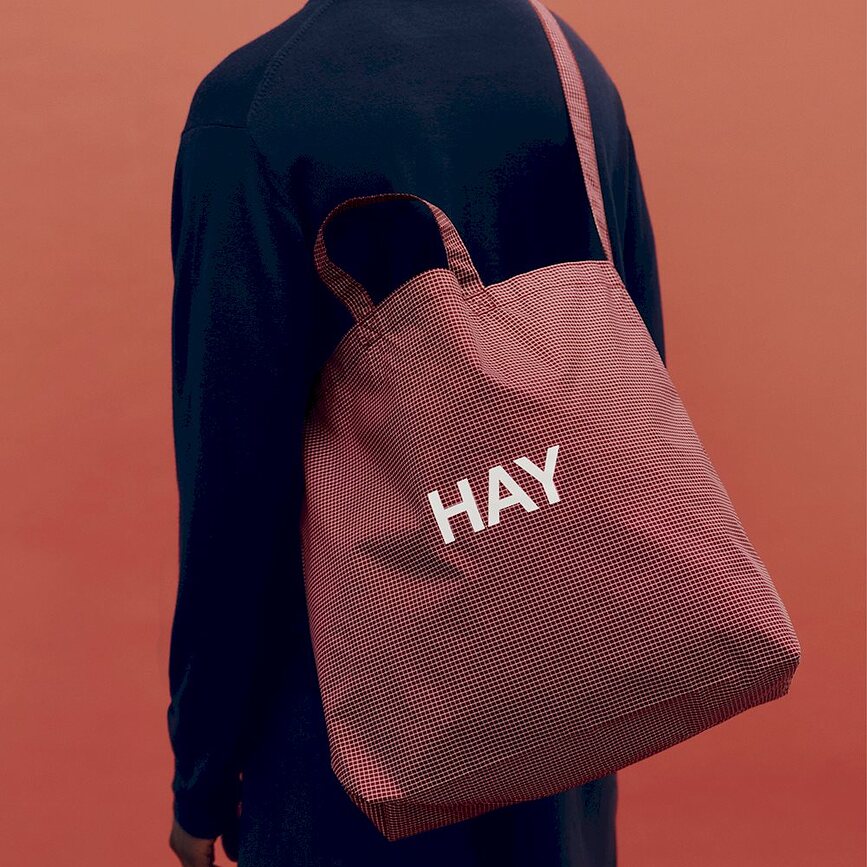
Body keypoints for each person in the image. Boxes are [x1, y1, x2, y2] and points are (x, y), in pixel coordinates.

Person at [166, 0, 666, 865]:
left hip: (342, 767)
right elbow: (634, 380)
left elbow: (232, 489)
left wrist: (201, 776)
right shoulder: (569, 69)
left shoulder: (253, 107)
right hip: (565, 733)